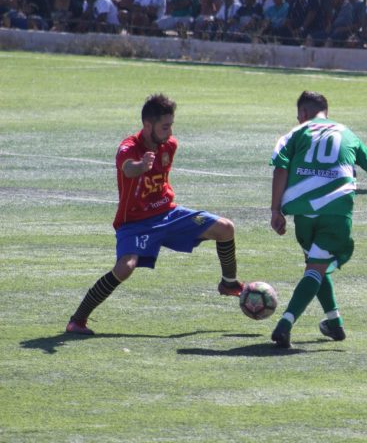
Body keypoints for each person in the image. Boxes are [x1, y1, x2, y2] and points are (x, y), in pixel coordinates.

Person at [65, 94, 243, 335]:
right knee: (126, 266)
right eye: (165, 126)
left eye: (171, 126)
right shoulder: (128, 147)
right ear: (148, 125)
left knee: (226, 228)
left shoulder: (170, 145)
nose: (170, 132)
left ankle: (229, 284)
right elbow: (128, 169)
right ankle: (77, 319)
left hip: (169, 214)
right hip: (135, 223)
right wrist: (141, 167)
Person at [269, 91, 367, 348]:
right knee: (316, 268)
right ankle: (285, 324)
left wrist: (276, 210)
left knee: (315, 266)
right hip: (336, 212)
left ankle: (334, 322)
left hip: (304, 213)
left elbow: (280, 168)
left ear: (304, 115)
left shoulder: (296, 133)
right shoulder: (348, 134)